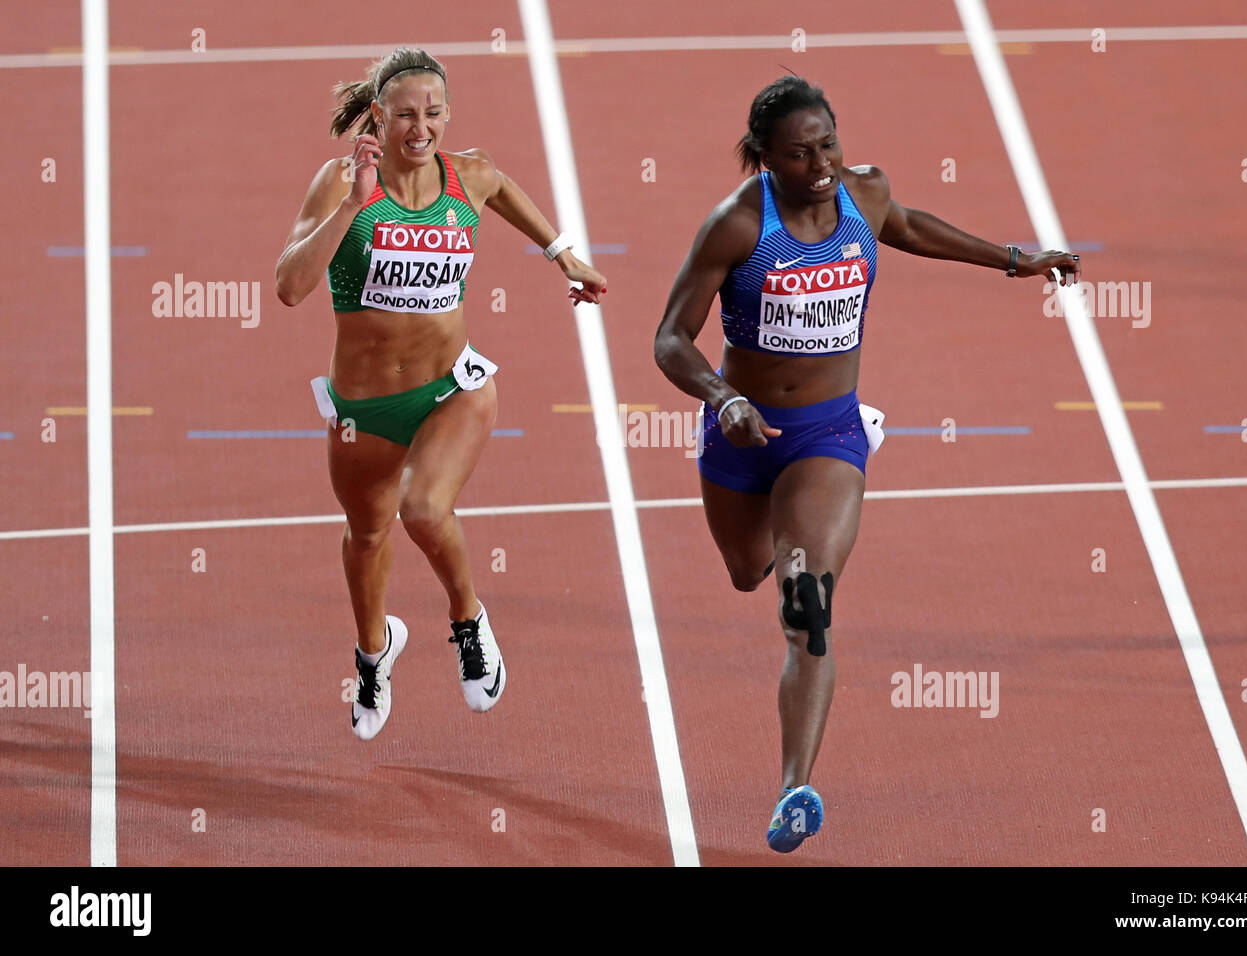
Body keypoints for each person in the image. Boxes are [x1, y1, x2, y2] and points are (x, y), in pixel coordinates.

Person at [653, 76, 1080, 852]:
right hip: (744, 434)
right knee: (748, 571)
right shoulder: (738, 226)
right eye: (799, 152)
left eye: (828, 144)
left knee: (807, 605)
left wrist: (1016, 259)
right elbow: (670, 338)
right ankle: (777, 569)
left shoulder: (863, 193)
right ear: (764, 158)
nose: (819, 163)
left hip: (828, 432)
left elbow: (909, 225)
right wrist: (723, 400)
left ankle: (794, 788)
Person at [275, 48, 606, 740]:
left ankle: (468, 618)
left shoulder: (469, 175)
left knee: (424, 509)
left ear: (446, 114)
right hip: (364, 408)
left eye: (432, 113)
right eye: (405, 115)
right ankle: (374, 653)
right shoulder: (340, 184)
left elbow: (504, 188)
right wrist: (354, 208)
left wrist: (561, 253)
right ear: (378, 115)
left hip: (453, 388)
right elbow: (288, 287)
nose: (420, 127)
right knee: (366, 535)